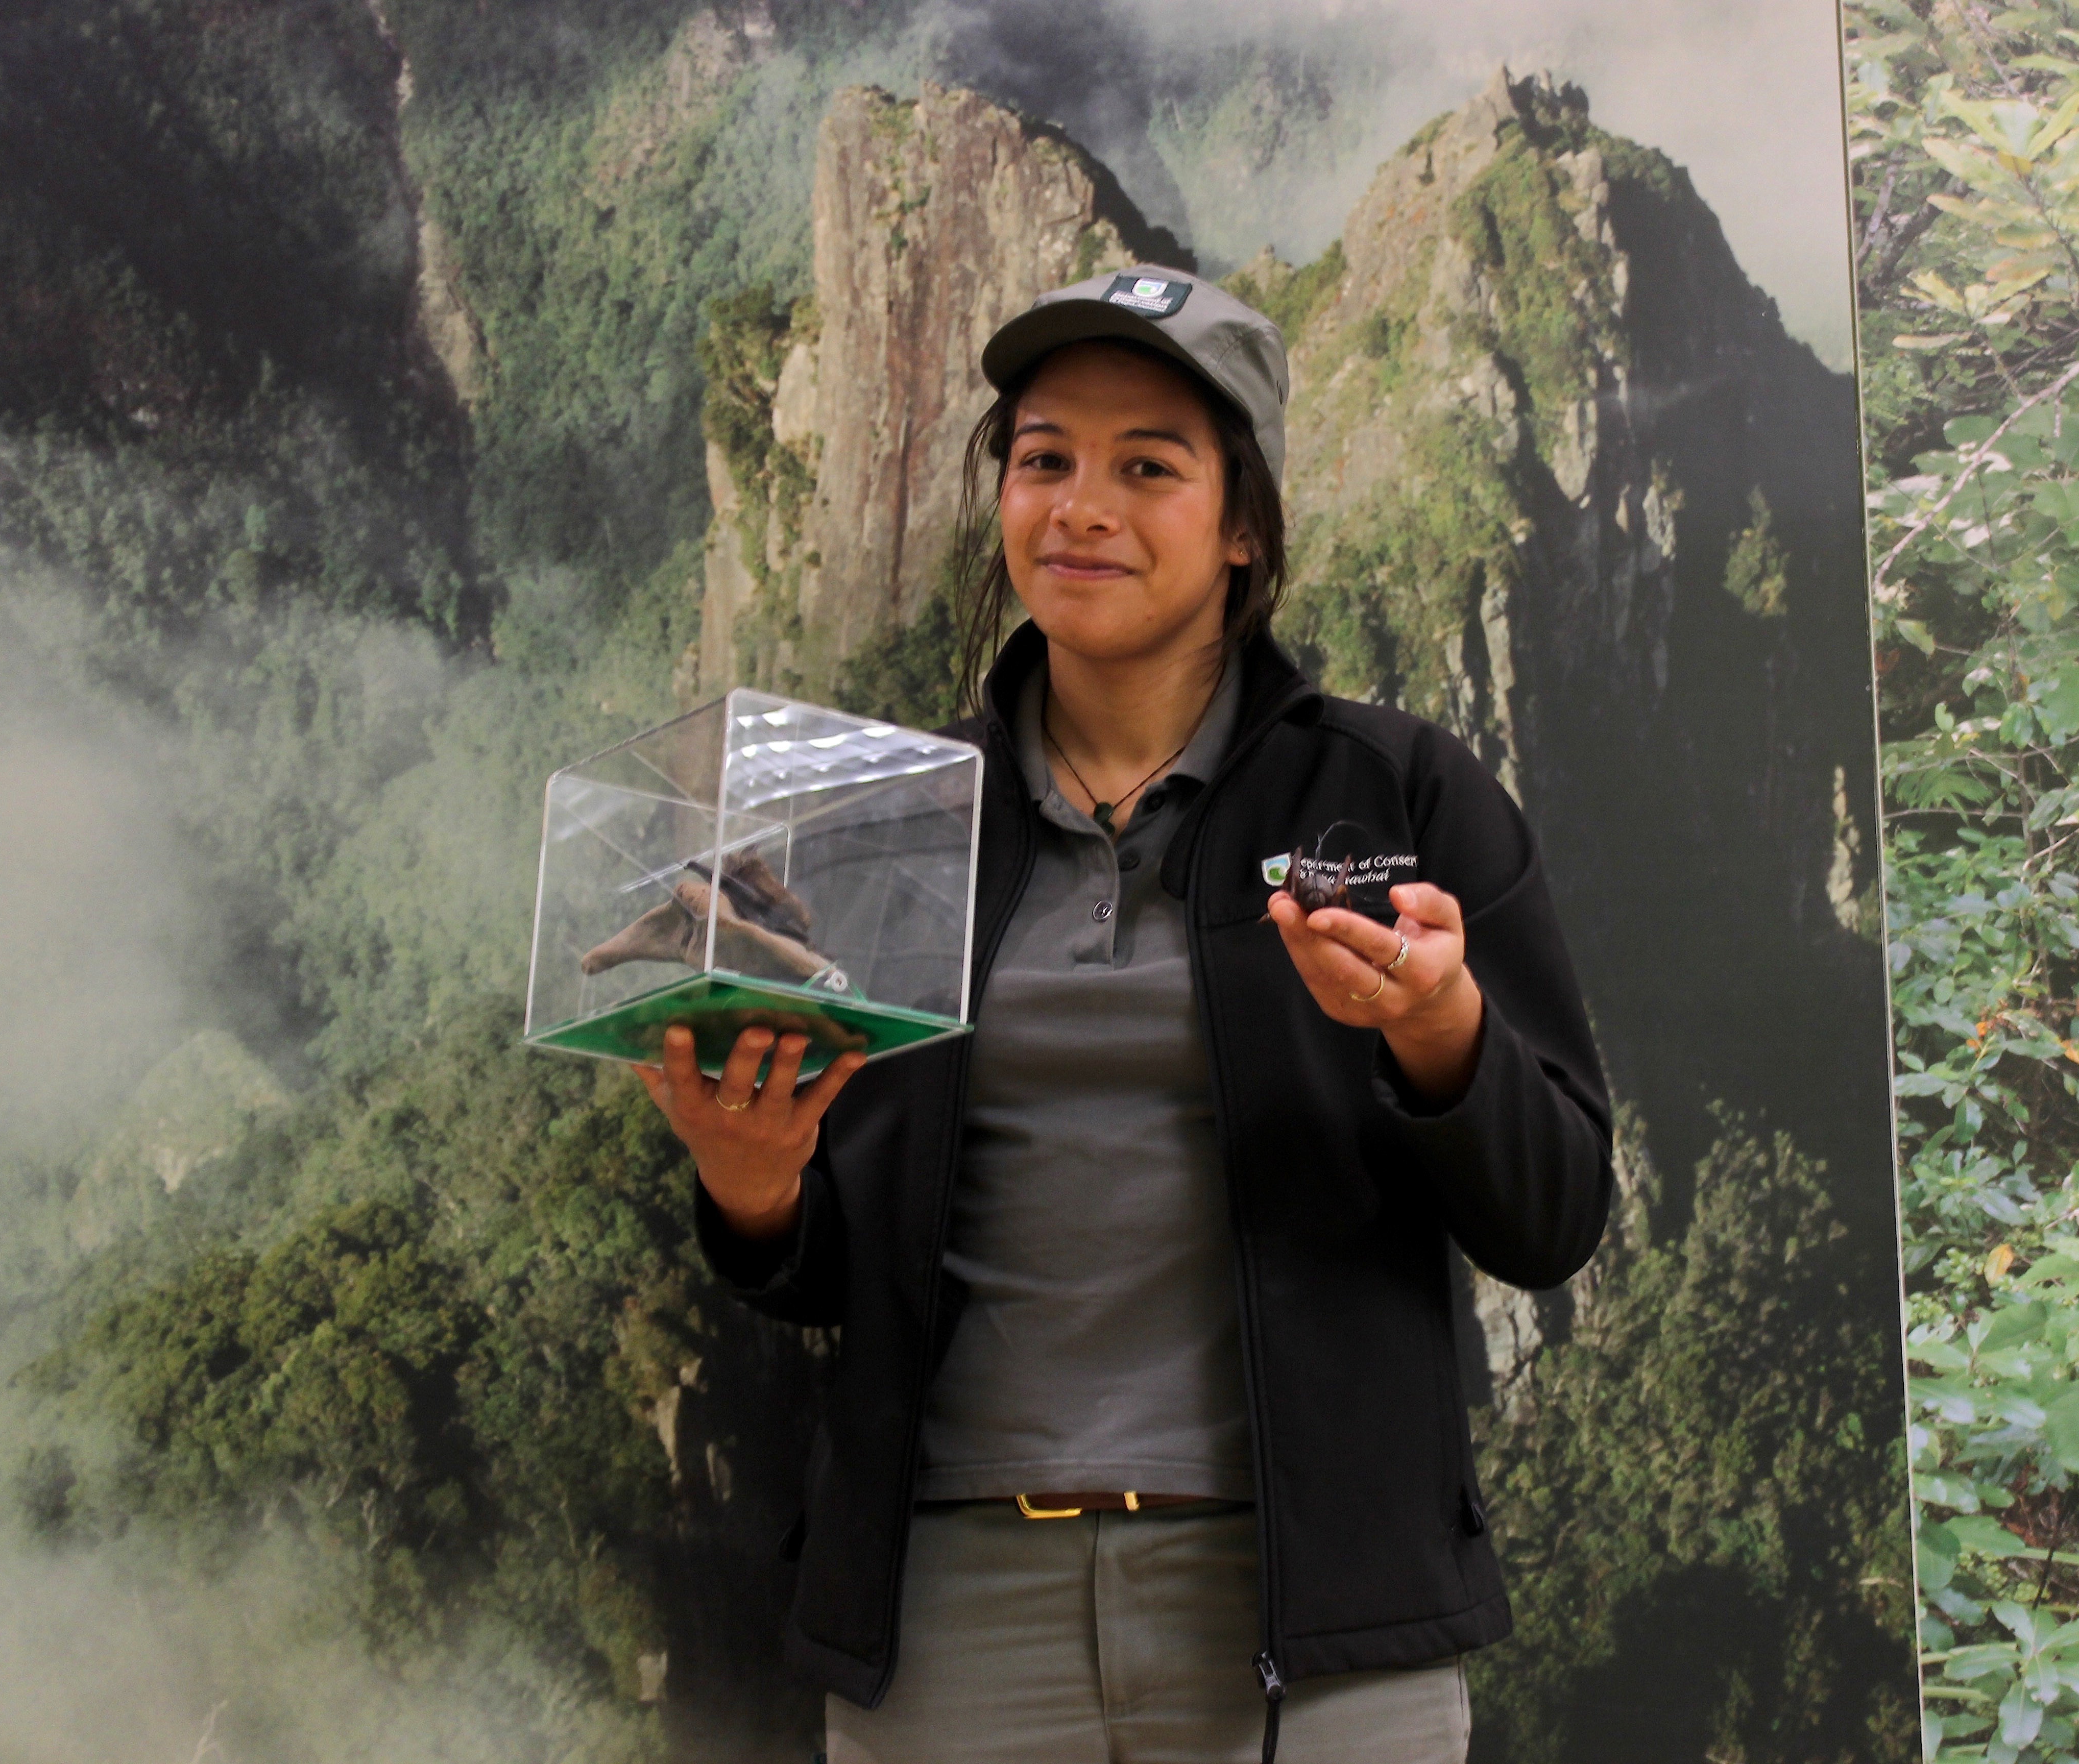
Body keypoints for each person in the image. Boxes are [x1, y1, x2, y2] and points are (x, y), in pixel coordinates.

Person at [632, 265, 1614, 1763]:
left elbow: (1553, 1218)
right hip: (953, 1614)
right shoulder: (897, 827)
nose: (1082, 505)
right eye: (1045, 459)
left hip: (1315, 1624)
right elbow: (837, 1265)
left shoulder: (1396, 797)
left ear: (1241, 527)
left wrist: (1440, 1035)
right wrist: (755, 1192)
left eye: (1147, 465)